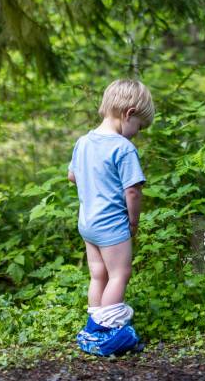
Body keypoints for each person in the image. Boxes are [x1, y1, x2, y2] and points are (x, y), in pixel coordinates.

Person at [68, 79, 154, 328]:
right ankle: (108, 329)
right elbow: (133, 192)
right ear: (129, 114)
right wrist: (134, 222)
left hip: (88, 223)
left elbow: (72, 176)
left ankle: (94, 323)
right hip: (112, 226)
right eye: (139, 127)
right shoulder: (123, 148)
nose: (137, 133)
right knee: (119, 274)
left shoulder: (83, 142)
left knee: (98, 275)